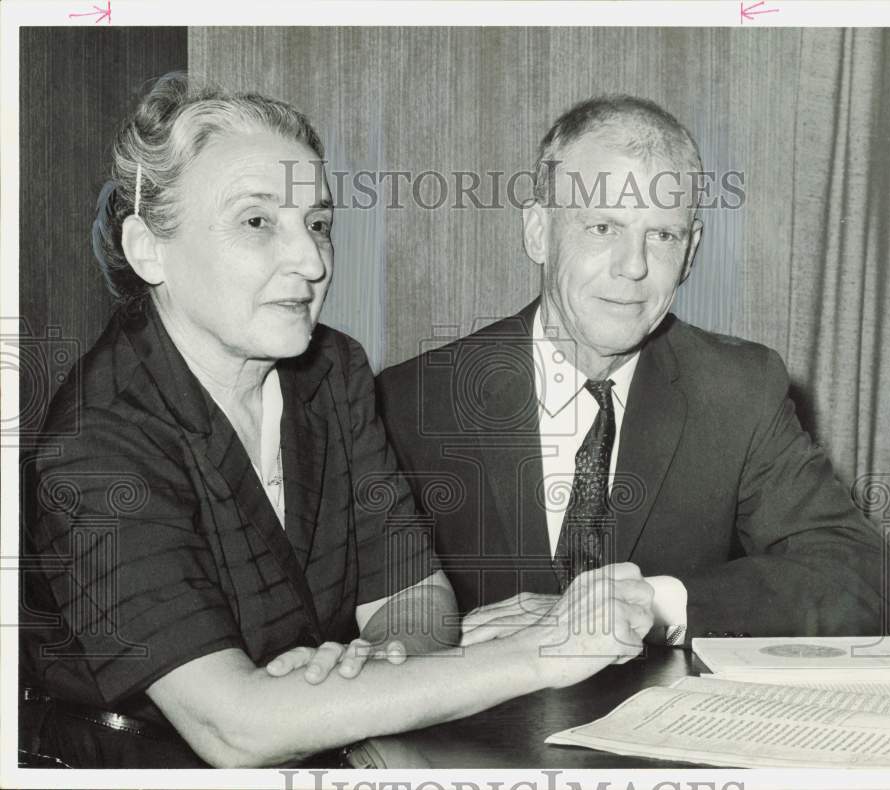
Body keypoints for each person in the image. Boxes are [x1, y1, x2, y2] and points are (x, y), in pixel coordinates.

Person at [18, 75, 654, 769]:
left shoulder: (329, 373)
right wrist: (540, 653)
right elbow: (237, 729)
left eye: (316, 224)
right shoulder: (94, 443)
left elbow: (412, 593)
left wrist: (384, 670)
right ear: (148, 248)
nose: (312, 260)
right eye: (257, 222)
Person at [376, 95, 889, 646]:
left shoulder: (738, 389)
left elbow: (859, 579)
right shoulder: (411, 403)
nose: (634, 266)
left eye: (662, 235)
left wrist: (650, 604)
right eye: (602, 228)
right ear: (538, 231)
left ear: (690, 254)